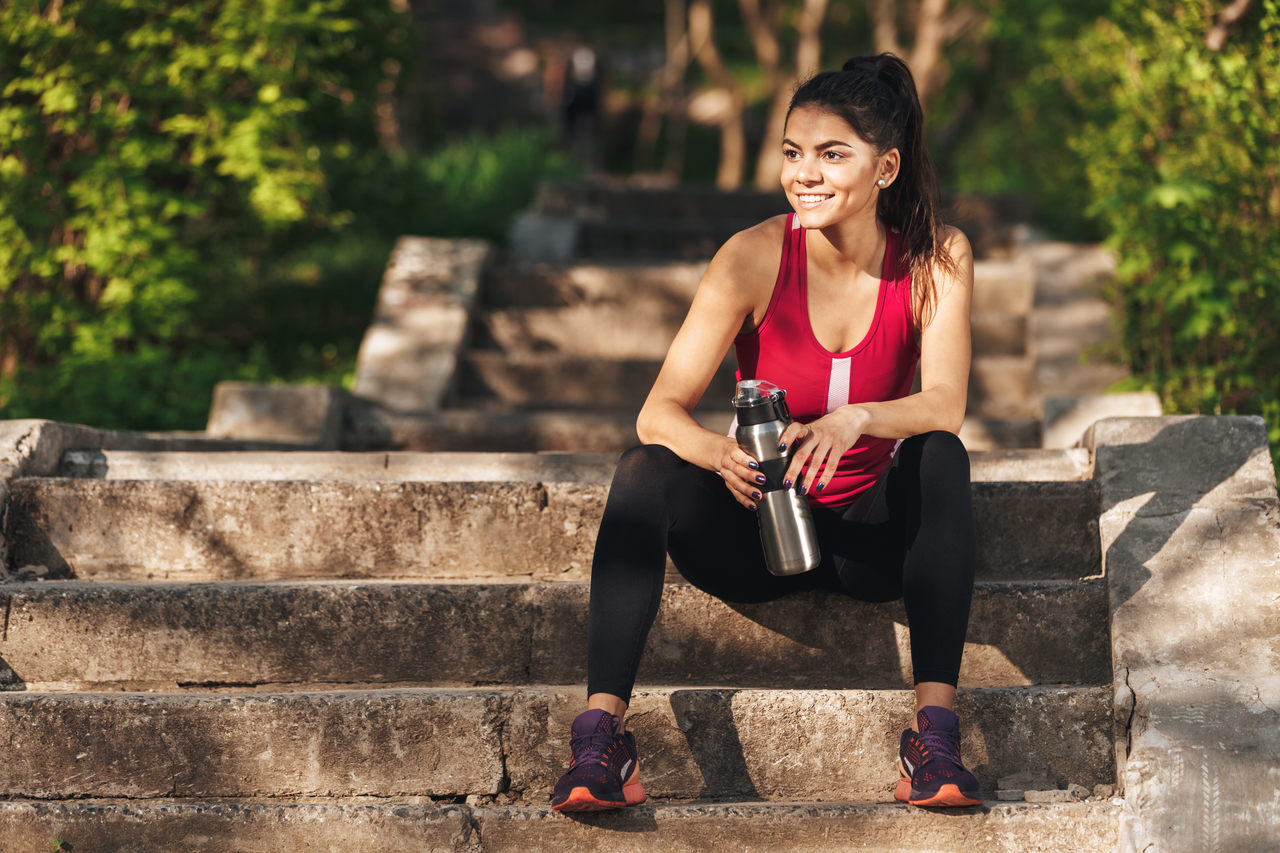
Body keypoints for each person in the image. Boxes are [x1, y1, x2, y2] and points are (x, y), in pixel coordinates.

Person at [550, 53, 980, 813]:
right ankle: (601, 739)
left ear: (885, 168)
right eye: (792, 152)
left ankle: (934, 738)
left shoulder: (936, 256)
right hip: (756, 532)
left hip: (867, 543)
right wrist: (715, 451)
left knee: (939, 456)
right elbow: (658, 411)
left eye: (831, 154)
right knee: (645, 467)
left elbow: (944, 404)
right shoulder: (751, 256)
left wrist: (858, 420)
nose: (804, 173)